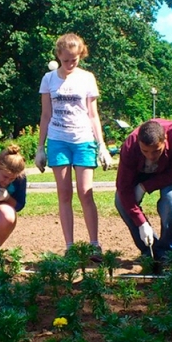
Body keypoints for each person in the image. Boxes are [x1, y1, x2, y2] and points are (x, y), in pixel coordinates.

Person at [35, 33, 113, 254]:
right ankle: (69, 246)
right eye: (66, 59)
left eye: (75, 59)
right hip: (58, 139)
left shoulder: (87, 78)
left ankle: (94, 244)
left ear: (81, 56)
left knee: (85, 192)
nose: (70, 64)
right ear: (58, 55)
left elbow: (93, 114)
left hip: (83, 139)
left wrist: (102, 146)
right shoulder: (48, 79)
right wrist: (40, 148)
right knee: (64, 193)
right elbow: (45, 114)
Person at [115, 119, 172, 261]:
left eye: (156, 151)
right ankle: (150, 251)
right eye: (145, 151)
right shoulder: (130, 146)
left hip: (171, 171)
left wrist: (144, 187)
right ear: (138, 143)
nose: (151, 156)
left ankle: (167, 251)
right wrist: (141, 222)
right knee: (121, 202)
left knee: (170, 200)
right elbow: (123, 188)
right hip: (141, 171)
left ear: (165, 140)